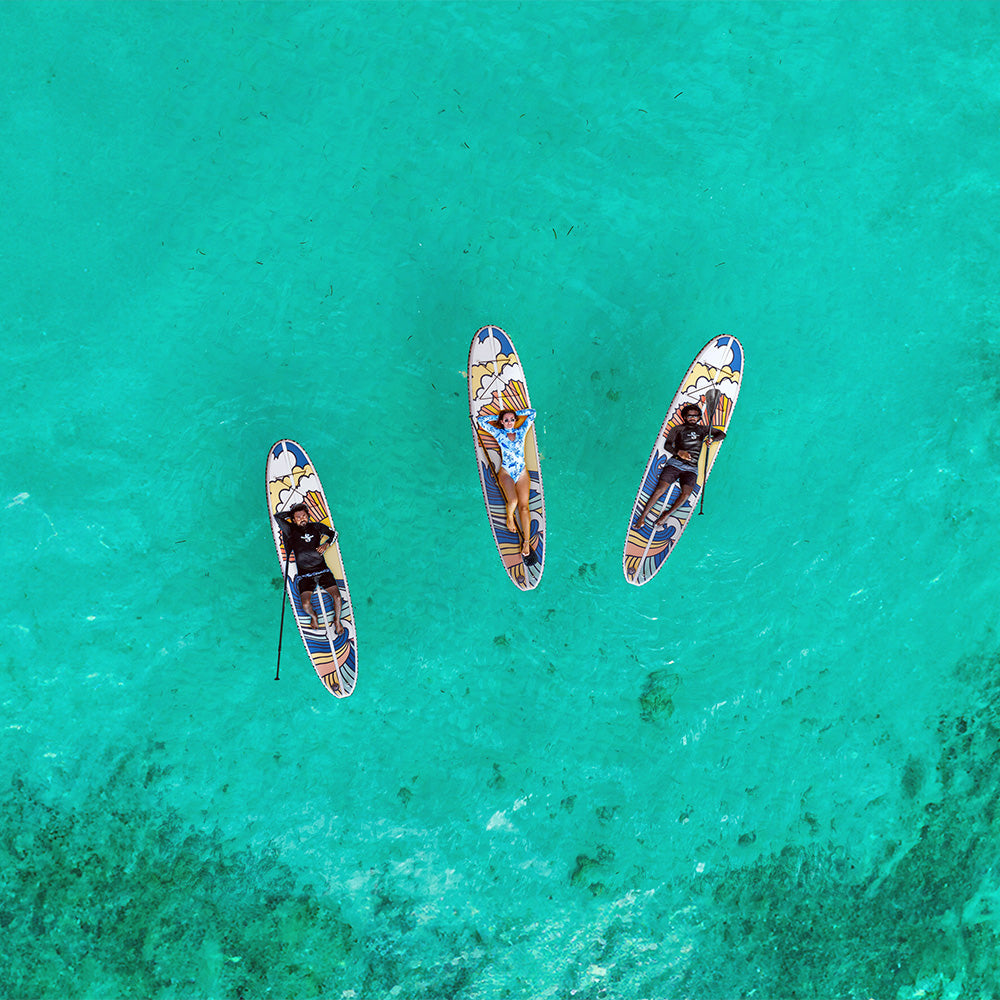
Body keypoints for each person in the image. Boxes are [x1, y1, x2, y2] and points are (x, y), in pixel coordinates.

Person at [633, 401, 726, 529]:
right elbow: (667, 445)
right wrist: (679, 452)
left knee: (686, 495)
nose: (692, 418)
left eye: (695, 416)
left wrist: (711, 439)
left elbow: (722, 434)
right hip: (675, 463)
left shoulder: (703, 429)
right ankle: (642, 517)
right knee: (660, 490)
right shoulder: (678, 429)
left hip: (692, 469)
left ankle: (666, 515)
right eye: (689, 416)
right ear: (684, 417)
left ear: (699, 417)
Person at [476, 391, 537, 559]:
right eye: (506, 420)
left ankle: (526, 541)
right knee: (514, 501)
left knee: (525, 507)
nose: (510, 422)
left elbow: (532, 413)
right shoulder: (498, 433)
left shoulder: (522, 430)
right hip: (506, 473)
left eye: (512, 419)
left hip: (522, 473)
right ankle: (509, 517)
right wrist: (499, 416)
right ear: (501, 423)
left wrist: (516, 414)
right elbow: (481, 421)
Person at [275, 503, 344, 633]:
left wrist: (326, 544)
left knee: (338, 598)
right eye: (298, 517)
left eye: (304, 516)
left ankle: (337, 620)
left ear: (308, 516)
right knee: (306, 605)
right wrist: (290, 514)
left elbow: (334, 534)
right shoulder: (290, 530)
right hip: (305, 574)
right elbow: (277, 517)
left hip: (322, 570)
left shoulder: (316, 527)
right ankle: (314, 616)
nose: (302, 518)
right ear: (293, 520)